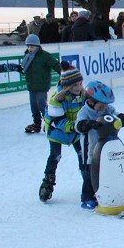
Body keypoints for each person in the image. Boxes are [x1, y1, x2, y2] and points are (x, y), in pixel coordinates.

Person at [74, 81, 124, 210]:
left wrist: (122, 118)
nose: (104, 108)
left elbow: (115, 115)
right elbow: (78, 126)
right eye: (101, 105)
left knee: (111, 171)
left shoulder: (108, 109)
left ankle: (116, 191)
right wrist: (87, 124)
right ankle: (88, 197)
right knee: (90, 174)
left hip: (108, 147)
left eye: (106, 105)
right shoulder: (84, 112)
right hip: (91, 151)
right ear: (90, 101)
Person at [39, 66, 87, 203]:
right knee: (55, 155)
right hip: (57, 132)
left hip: (75, 131)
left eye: (80, 84)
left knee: (83, 154)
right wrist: (76, 126)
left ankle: (89, 181)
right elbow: (59, 122)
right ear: (66, 86)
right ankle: (47, 182)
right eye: (74, 85)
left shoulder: (83, 95)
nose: (78, 88)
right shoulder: (56, 100)